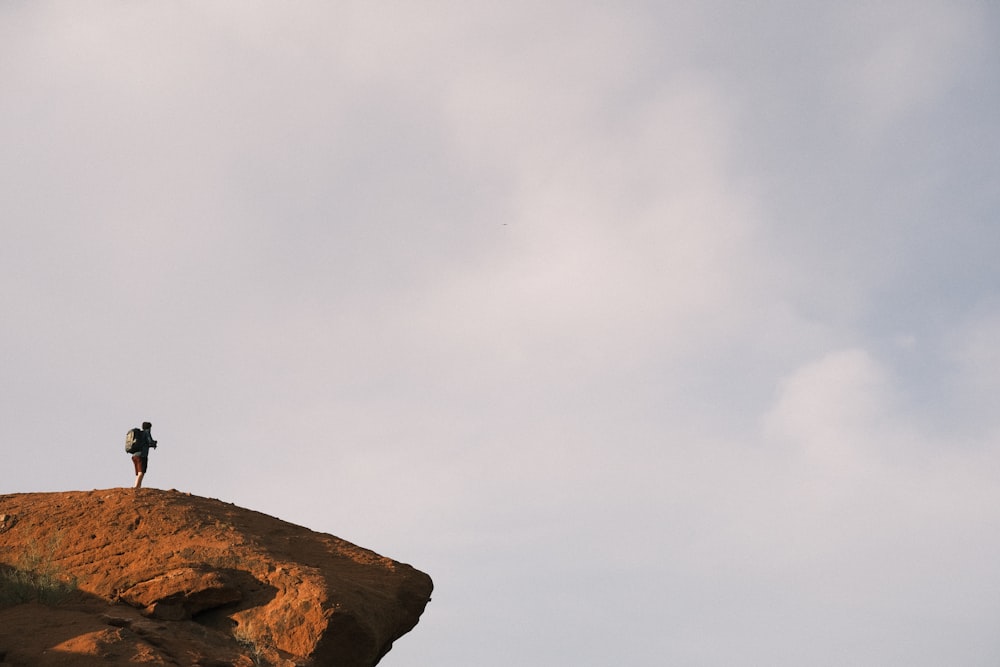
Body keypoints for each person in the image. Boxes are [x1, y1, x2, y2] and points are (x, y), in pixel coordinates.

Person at [131, 421, 158, 489]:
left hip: (134, 455)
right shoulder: (146, 433)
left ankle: (137, 486)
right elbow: (150, 441)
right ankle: (136, 487)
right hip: (142, 455)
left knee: (138, 473)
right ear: (149, 428)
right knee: (141, 472)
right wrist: (154, 443)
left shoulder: (139, 434)